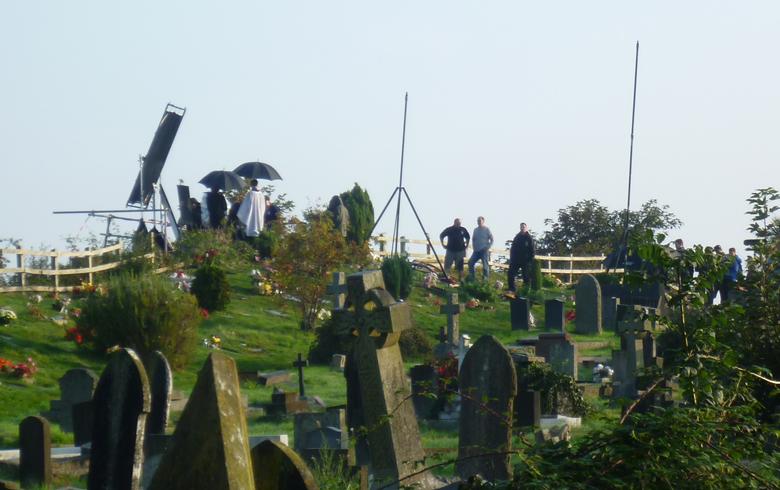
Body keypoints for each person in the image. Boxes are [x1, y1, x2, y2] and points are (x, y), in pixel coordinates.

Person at [508, 222, 535, 292]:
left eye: (524, 227)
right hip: (516, 260)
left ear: (526, 228)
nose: (522, 228)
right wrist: (512, 258)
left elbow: (532, 250)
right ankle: (512, 289)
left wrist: (530, 260)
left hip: (526, 261)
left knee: (526, 277)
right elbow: (513, 248)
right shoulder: (517, 237)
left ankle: (526, 291)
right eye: (521, 227)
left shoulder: (529, 238)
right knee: (511, 274)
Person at [467, 216, 494, 281]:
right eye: (478, 221)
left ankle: (485, 281)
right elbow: (473, 239)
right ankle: (472, 278)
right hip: (476, 251)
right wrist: (474, 247)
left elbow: (492, 239)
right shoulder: (475, 230)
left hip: (484, 251)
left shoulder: (487, 229)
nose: (479, 222)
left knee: (485, 266)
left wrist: (488, 247)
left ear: (483, 221)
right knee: (470, 262)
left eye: (480, 220)